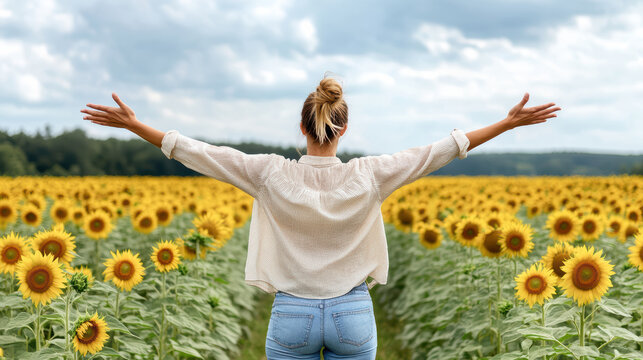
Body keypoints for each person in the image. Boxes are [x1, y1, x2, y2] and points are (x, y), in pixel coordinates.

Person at [81, 76, 560, 359]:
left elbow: (196, 153)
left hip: (292, 313)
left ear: (301, 127)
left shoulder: (268, 174)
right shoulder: (370, 175)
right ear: (343, 127)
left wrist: (134, 124)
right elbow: (442, 151)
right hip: (353, 311)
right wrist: (508, 122)